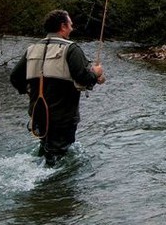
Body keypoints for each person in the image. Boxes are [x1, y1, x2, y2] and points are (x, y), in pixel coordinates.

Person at [10, 9, 105, 166]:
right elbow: (84, 78)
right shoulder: (71, 49)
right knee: (58, 158)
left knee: (46, 148)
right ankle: (50, 180)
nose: (72, 28)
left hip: (38, 114)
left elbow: (15, 77)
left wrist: (28, 92)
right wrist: (96, 73)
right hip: (62, 117)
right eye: (70, 25)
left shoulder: (31, 49)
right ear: (63, 26)